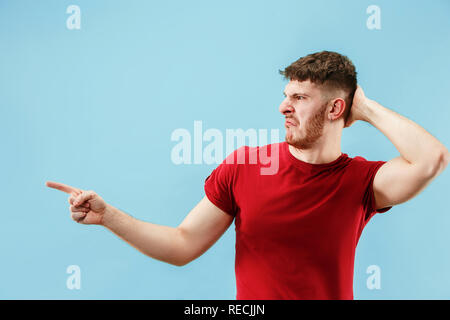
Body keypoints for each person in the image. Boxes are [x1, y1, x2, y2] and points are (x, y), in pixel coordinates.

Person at [46, 51, 449, 300]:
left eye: (300, 98)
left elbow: (431, 158)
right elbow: (182, 245)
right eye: (285, 95)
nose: (283, 107)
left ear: (335, 109)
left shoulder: (362, 181)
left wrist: (366, 105)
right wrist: (108, 216)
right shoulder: (243, 166)